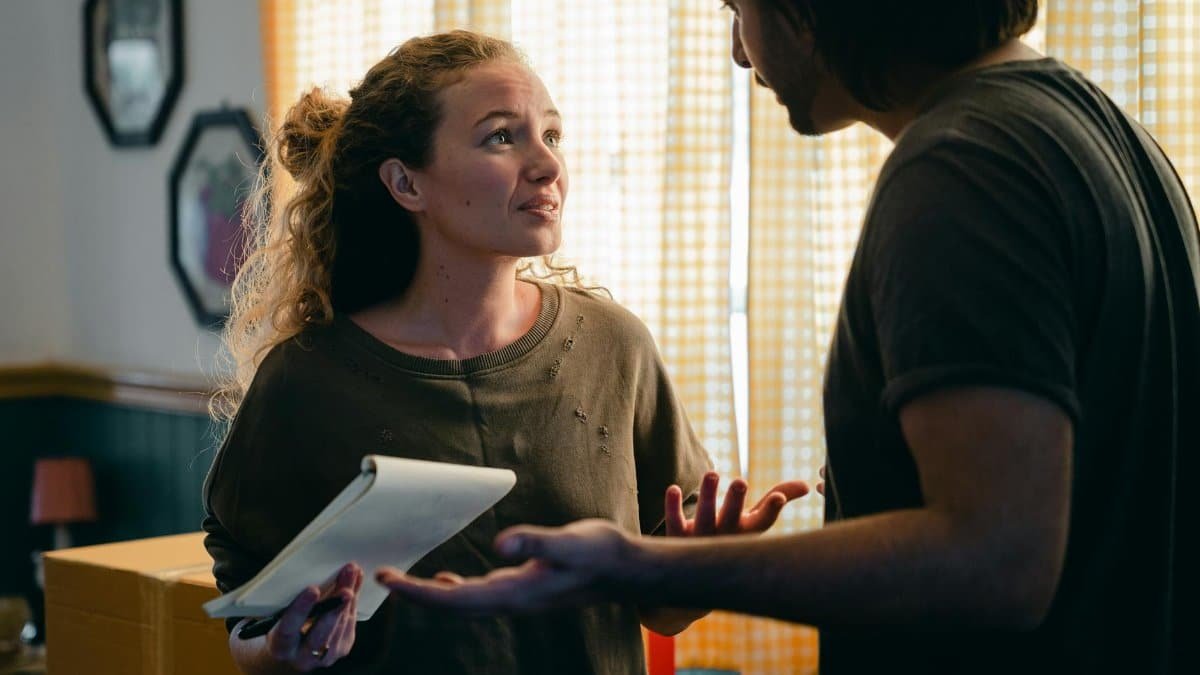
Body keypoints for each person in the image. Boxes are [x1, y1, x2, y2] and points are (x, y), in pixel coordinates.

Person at [377, 2, 1200, 673]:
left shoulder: (963, 168)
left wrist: (638, 565)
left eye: (739, 9)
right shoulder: (1107, 135)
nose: (741, 52)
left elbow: (998, 561)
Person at [201, 29, 807, 675]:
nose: (546, 165)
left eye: (551, 135)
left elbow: (660, 612)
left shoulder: (614, 347)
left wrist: (697, 567)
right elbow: (250, 625)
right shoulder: (307, 380)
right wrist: (280, 652)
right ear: (406, 183)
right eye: (501, 136)